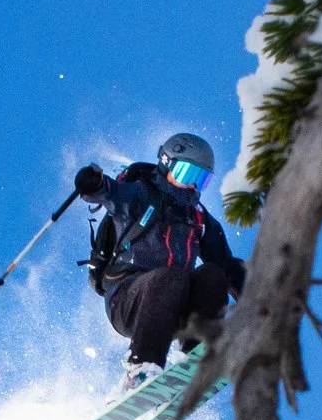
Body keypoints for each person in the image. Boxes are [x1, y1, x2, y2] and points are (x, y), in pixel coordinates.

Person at [75, 133, 247, 391]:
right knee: (171, 276)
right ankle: (140, 369)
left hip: (174, 307)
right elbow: (110, 193)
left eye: (201, 179)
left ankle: (195, 354)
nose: (192, 186)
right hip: (129, 300)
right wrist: (94, 184)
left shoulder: (197, 219)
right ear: (167, 164)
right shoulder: (140, 196)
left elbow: (229, 267)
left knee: (213, 275)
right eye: (187, 174)